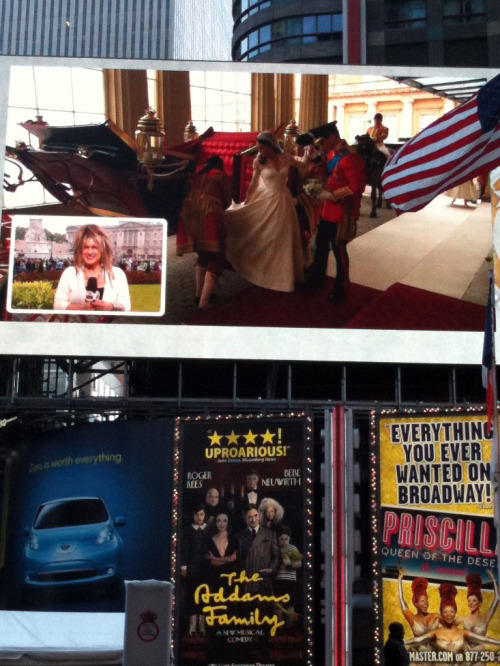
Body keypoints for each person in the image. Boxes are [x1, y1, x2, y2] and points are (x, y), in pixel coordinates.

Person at [223, 131, 304, 292]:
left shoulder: (286, 157)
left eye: (262, 148)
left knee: (284, 237)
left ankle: (284, 278)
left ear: (271, 146)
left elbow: (303, 165)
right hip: (267, 200)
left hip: (283, 201)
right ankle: (266, 271)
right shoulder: (258, 162)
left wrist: (310, 155)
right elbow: (253, 183)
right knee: (269, 237)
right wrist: (247, 202)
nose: (260, 151)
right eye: (258, 148)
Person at [303, 124, 366, 302]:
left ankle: (341, 288)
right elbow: (329, 174)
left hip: (342, 214)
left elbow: (357, 187)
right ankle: (317, 280)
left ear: (332, 138)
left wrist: (332, 195)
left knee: (339, 251)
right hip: (327, 210)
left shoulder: (351, 157)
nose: (320, 146)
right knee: (321, 247)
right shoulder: (332, 154)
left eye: (322, 142)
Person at [176, 155, 232, 308]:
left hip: (190, 217)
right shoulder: (220, 176)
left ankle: (198, 295)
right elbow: (227, 200)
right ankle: (204, 302)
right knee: (216, 257)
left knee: (203, 254)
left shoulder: (195, 176)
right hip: (210, 216)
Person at [405, 583, 500, 656]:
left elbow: (484, 639)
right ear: (441, 613)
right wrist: (398, 642)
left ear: (455, 613)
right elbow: (417, 641)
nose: (449, 614)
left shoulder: (463, 632)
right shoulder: (435, 632)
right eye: (445, 611)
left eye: (451, 611)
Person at [53, 224, 131, 311]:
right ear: (80, 250)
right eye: (86, 247)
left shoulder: (117, 274)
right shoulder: (69, 273)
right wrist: (81, 308)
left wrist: (111, 308)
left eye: (94, 247)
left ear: (102, 250)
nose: (90, 252)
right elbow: (57, 304)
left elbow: (126, 306)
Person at [180, 506, 209, 636]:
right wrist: (183, 566)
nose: (199, 517)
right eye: (197, 514)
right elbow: (184, 549)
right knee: (192, 595)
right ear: (193, 515)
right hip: (191, 568)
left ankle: (202, 623)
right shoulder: (187, 530)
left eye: (201, 514)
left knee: (204, 595)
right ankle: (192, 624)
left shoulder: (209, 529)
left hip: (206, 568)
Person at [273, 526, 303, 633]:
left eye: (286, 539)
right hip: (278, 580)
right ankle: (279, 626)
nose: (284, 541)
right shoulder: (276, 549)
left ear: (289, 539)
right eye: (282, 539)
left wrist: (290, 563)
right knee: (278, 604)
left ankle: (289, 626)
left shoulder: (293, 548)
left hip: (290, 580)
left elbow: (299, 564)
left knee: (289, 604)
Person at [455, 571, 500, 636]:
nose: (471, 603)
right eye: (469, 601)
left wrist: (493, 578)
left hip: (481, 646)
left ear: (479, 602)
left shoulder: (485, 619)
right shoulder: (463, 619)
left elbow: (497, 598)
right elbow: (447, 626)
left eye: (474, 600)